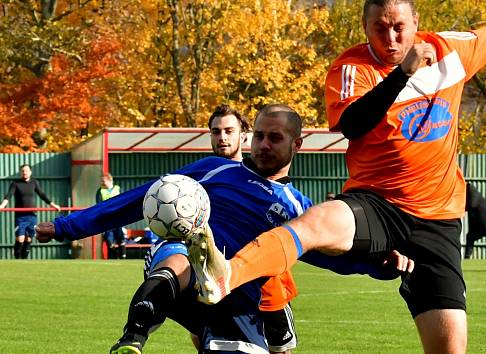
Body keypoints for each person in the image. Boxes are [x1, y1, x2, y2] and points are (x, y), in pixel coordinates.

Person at [187, 1, 486, 353]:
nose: (391, 37)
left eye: (399, 26)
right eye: (379, 28)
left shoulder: (449, 51)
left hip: (438, 219)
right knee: (315, 223)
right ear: (366, 28)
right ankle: (226, 276)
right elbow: (353, 122)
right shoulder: (352, 67)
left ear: (416, 23)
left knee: (450, 347)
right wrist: (401, 73)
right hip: (376, 202)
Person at [36, 104, 407, 354]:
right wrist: (69, 226)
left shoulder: (298, 208)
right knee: (175, 255)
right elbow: (138, 199)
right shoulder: (216, 170)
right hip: (193, 272)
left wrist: (380, 265)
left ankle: (277, 314)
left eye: (274, 139)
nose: (262, 145)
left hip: (241, 297)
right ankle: (133, 338)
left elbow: (332, 257)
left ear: (297, 144)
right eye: (258, 135)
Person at [208, 104, 300, 354]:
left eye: (228, 130)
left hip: (269, 292)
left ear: (243, 135)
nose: (222, 137)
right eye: (216, 132)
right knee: (204, 338)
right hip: (217, 283)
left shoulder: (275, 185)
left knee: (280, 349)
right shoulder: (206, 176)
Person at [0, 163, 61, 259]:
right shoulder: (15, 183)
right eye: (23, 171)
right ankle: (16, 260)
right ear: (20, 172)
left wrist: (53, 205)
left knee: (28, 239)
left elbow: (42, 195)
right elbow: (8, 195)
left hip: (32, 216)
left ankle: (24, 261)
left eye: (26, 171)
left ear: (30, 172)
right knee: (20, 239)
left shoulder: (34, 182)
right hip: (20, 216)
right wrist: (2, 206)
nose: (25, 172)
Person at [96, 173, 127, 259]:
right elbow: (98, 206)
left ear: (110, 180)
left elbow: (124, 202)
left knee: (121, 238)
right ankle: (114, 258)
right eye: (101, 181)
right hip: (107, 219)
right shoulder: (100, 191)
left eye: (103, 181)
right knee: (109, 240)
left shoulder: (119, 189)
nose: (102, 182)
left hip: (119, 219)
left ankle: (123, 258)